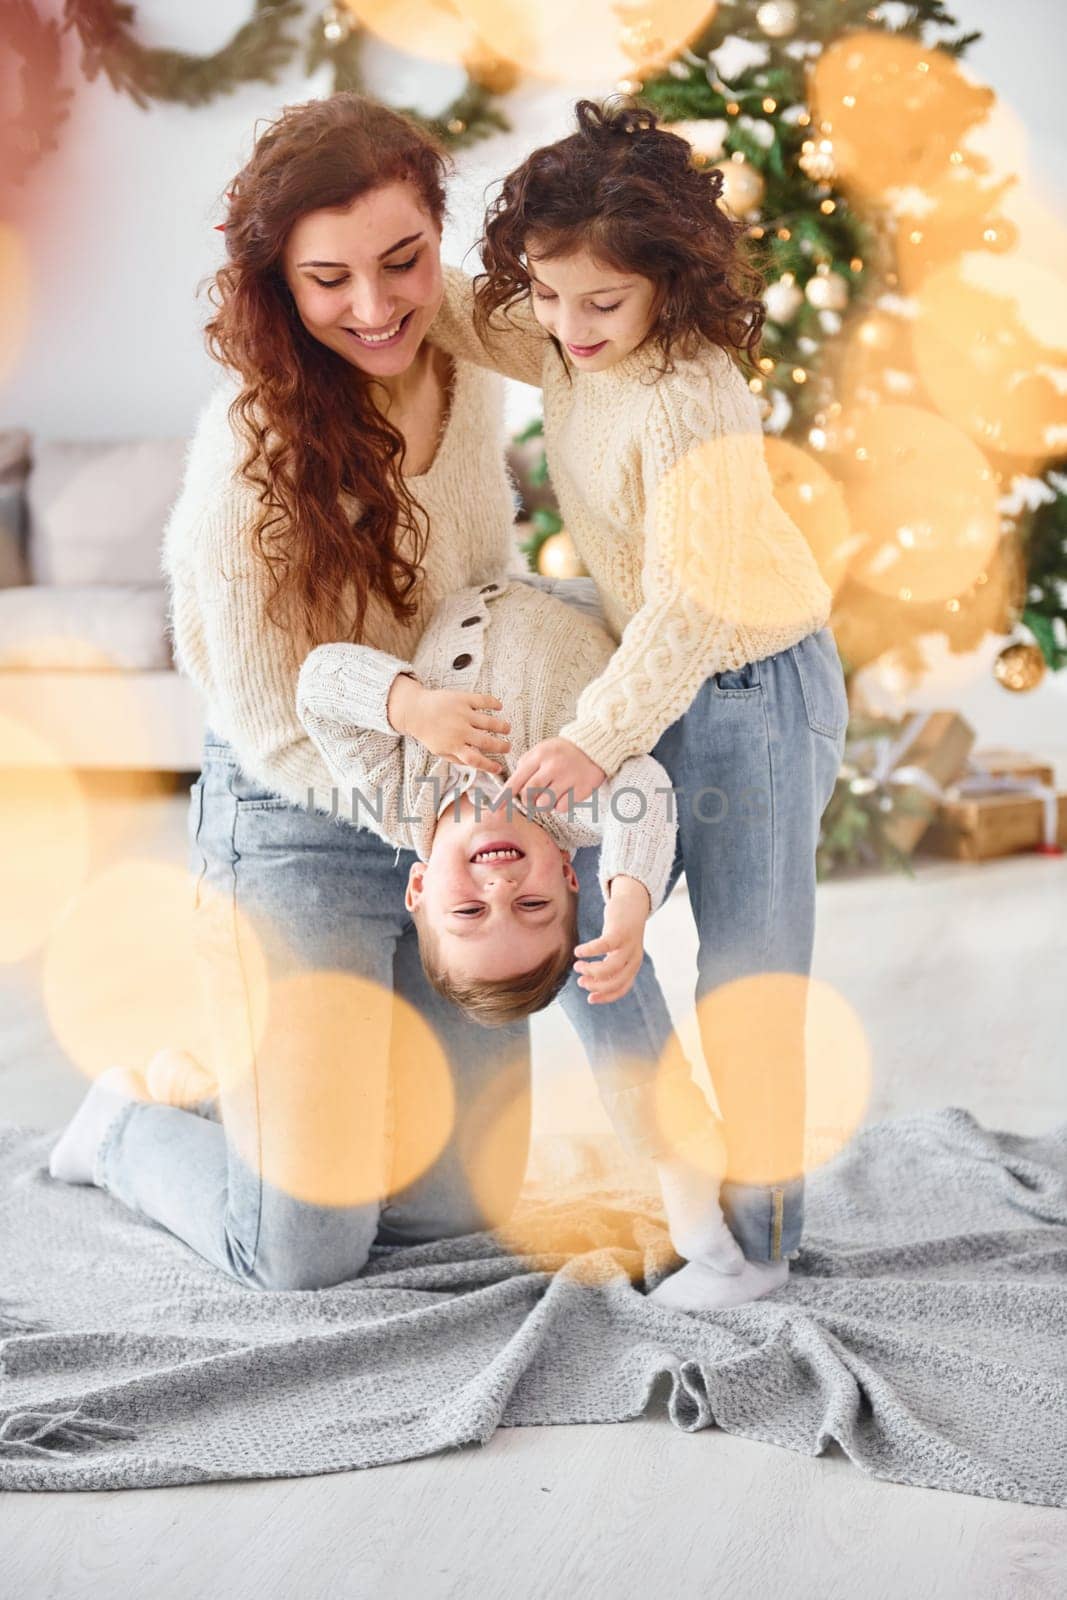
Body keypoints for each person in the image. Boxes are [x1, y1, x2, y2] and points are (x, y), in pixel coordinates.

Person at [45, 92, 733, 1294]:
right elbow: (271, 718)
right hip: (301, 813)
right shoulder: (251, 458)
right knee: (304, 1251)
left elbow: (501, 544)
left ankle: (274, 1080)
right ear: (281, 285)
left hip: (444, 807)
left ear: (437, 237)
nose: (375, 310)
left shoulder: (469, 364)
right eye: (328, 280)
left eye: (403, 261)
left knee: (450, 1215)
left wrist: (488, 808)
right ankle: (128, 1123)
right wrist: (437, 821)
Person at [430, 97, 851, 1311]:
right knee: (578, 940)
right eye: (548, 295)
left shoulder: (689, 398)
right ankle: (687, 1187)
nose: (564, 328)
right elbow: (451, 310)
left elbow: (691, 608)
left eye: (597, 303)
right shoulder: (565, 331)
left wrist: (591, 736)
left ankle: (755, 1249)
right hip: (647, 685)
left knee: (751, 971)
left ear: (666, 280)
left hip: (754, 684)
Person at [295, 572, 678, 1021]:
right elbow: (644, 787)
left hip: (474, 572)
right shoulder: (567, 810)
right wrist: (630, 903)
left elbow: (320, 681)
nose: (500, 889)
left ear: (419, 886)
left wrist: (411, 709)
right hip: (598, 594)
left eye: (469, 909)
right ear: (566, 873)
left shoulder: (395, 797)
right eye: (532, 905)